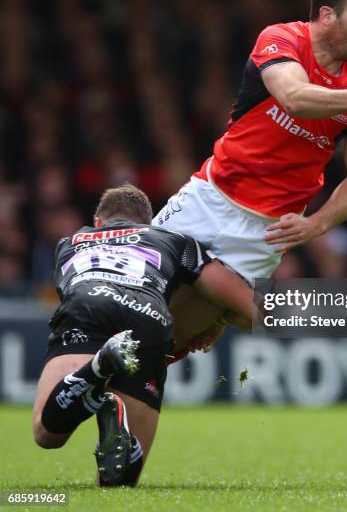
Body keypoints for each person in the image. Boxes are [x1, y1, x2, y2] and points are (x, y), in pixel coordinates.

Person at [153, 0, 347, 345]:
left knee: (173, 339)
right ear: (327, 16)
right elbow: (293, 97)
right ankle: (83, 381)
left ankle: (112, 390)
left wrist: (318, 224)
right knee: (131, 302)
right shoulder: (281, 39)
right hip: (208, 197)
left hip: (265, 233)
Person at [32, 183, 257, 487]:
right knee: (118, 483)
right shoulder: (174, 240)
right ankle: (110, 389)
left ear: (98, 221)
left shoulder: (69, 242)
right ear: (147, 223)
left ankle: (98, 369)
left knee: (46, 435)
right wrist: (217, 323)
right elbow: (244, 306)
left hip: (88, 303)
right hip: (149, 318)